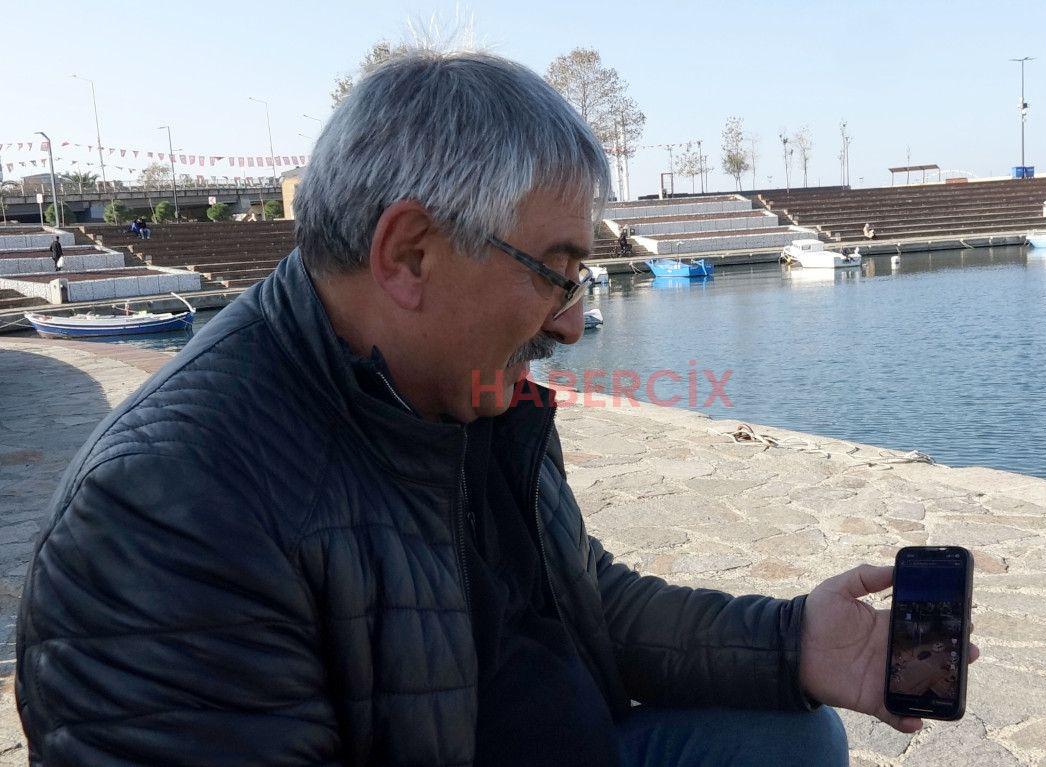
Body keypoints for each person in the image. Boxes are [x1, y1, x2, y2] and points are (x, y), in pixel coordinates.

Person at [17, 49, 978, 766]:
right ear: (410, 255)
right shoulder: (169, 509)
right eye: (554, 272)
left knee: (795, 738)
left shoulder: (464, 388)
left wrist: (790, 641)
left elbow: (578, 595)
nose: (571, 322)